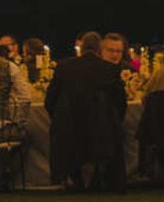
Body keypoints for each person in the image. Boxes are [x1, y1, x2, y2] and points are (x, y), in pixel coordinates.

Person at [45, 32, 127, 191]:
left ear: (81, 48)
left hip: (68, 127)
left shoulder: (63, 67)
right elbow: (120, 103)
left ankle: (73, 177)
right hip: (101, 130)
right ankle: (101, 177)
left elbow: (50, 100)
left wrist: (57, 118)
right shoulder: (109, 69)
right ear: (99, 49)